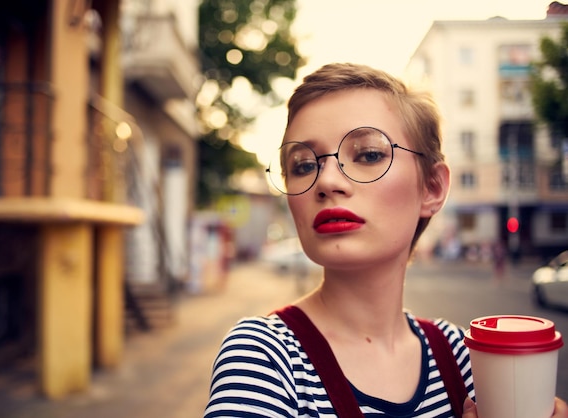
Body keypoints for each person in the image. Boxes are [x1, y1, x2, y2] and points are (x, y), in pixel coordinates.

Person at [203, 63, 568, 417]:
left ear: (432, 187)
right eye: (303, 164)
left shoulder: (464, 355)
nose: (327, 180)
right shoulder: (265, 356)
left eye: (369, 154)